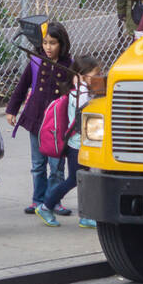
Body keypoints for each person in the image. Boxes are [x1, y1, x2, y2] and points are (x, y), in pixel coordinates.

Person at [5, 21, 73, 215]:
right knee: (38, 164)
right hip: (36, 119)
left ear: (62, 43)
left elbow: (76, 92)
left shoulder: (69, 65)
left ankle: (54, 201)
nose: (48, 47)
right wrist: (12, 109)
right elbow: (22, 85)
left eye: (53, 43)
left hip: (57, 123)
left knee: (56, 166)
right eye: (45, 42)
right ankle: (38, 200)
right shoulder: (36, 60)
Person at [34, 55, 100, 228]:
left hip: (80, 144)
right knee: (75, 179)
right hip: (78, 145)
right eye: (94, 74)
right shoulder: (81, 94)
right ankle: (46, 206)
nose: (97, 78)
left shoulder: (78, 92)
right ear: (81, 76)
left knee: (82, 179)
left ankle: (85, 215)